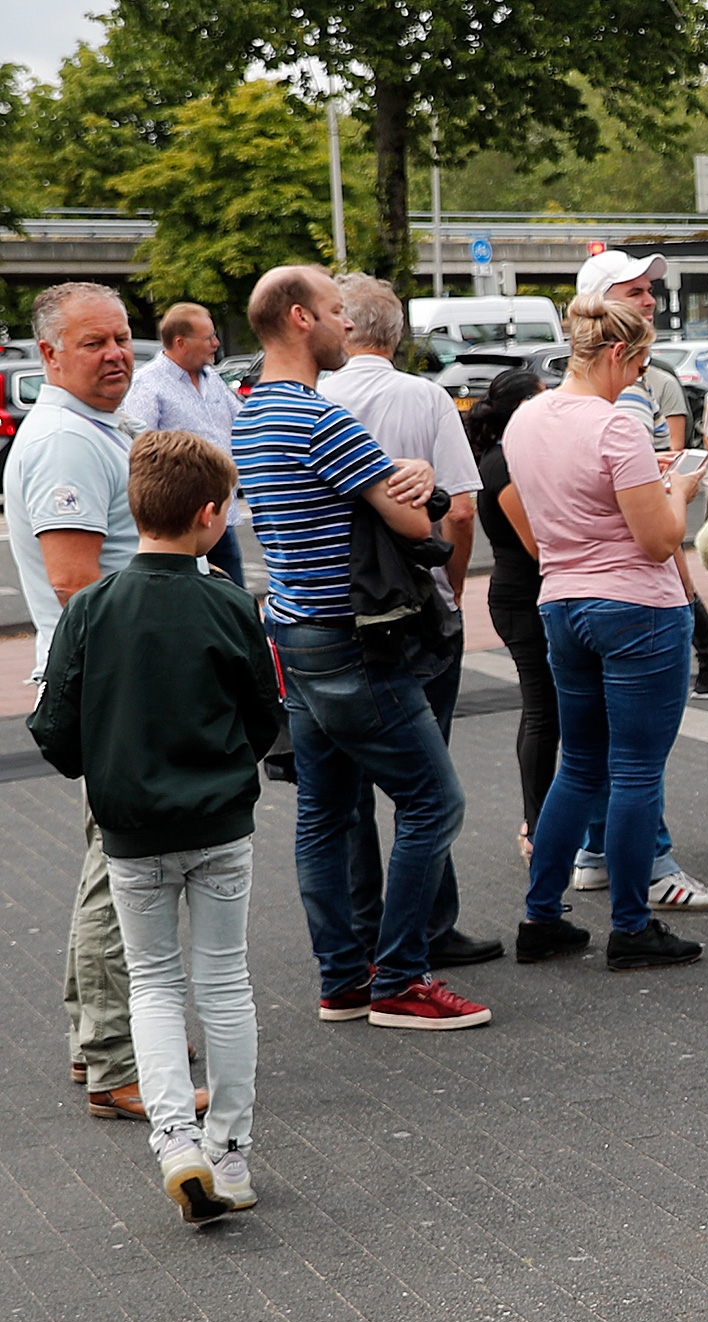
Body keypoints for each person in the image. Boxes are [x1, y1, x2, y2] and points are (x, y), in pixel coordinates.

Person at [29, 429, 281, 1224]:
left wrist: (103, 771)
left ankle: (175, 1137)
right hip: (219, 821)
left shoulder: (94, 606)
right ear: (209, 514)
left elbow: (55, 726)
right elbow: (265, 716)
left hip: (132, 830)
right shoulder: (232, 603)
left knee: (154, 983)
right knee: (225, 981)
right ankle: (230, 1148)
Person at [234, 264, 488, 1031]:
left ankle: (343, 976)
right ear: (302, 318)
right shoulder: (322, 421)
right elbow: (417, 524)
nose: (349, 325)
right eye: (338, 312)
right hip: (355, 641)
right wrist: (416, 477)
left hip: (295, 631)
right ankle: (404, 977)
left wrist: (394, 479)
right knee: (433, 801)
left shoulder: (252, 414)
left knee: (325, 810)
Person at [502, 293, 708, 971]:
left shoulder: (525, 419)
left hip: (562, 602)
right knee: (634, 772)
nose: (639, 378)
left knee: (580, 763)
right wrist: (678, 491)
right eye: (641, 363)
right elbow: (658, 541)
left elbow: (546, 506)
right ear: (619, 353)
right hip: (636, 608)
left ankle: (542, 916)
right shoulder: (617, 427)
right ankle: (631, 924)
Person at [321, 272, 506, 971]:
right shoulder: (423, 397)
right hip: (413, 609)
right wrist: (449, 590)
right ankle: (429, 924)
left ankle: (359, 930)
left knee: (341, 793)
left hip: (329, 609)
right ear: (395, 335)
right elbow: (459, 509)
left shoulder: (308, 398)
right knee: (426, 781)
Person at [10, 283, 152, 1115]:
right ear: (49, 356)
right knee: (122, 873)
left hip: (115, 679)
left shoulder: (93, 428)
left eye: (122, 336)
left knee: (110, 861)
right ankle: (115, 1062)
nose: (115, 353)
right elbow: (75, 582)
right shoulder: (67, 440)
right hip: (115, 684)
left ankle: (92, 1038)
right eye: (94, 342)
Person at [576, 250, 708, 700]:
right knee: (633, 760)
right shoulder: (617, 398)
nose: (650, 300)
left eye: (650, 291)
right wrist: (675, 491)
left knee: (587, 751)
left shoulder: (551, 408)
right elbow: (657, 535)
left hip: (578, 597)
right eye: (635, 291)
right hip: (632, 592)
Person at [471, 369, 557, 862]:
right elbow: (537, 545)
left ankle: (540, 820)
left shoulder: (511, 457)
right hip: (522, 598)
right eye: (543, 398)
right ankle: (536, 824)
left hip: (526, 595)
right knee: (543, 712)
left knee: (546, 711)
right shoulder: (503, 465)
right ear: (524, 406)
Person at [118, 301, 246, 584]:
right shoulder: (148, 384)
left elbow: (241, 421)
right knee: (192, 600)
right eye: (209, 337)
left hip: (219, 513)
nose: (215, 343)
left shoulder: (211, 378)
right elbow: (141, 450)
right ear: (181, 342)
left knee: (234, 597)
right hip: (182, 521)